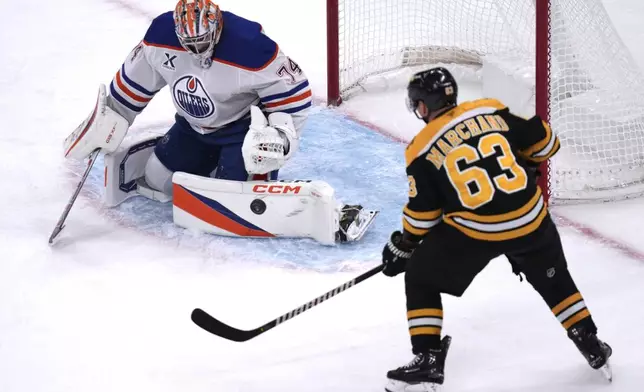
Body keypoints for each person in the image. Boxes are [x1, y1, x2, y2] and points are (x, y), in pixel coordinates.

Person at [61, 0, 377, 244]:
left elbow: (292, 92)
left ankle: (314, 206)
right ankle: (213, 168)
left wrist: (280, 134)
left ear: (216, 27)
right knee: (157, 180)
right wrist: (108, 122)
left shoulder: (251, 47)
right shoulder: (159, 38)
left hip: (241, 131)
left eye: (202, 40)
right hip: (191, 127)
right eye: (189, 42)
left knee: (233, 199)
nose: (196, 49)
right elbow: (130, 89)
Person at [380, 67, 612, 391]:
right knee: (554, 278)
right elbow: (547, 142)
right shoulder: (489, 108)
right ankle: (590, 340)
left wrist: (402, 247)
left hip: (478, 232)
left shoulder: (419, 148)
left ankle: (428, 359)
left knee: (420, 275)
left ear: (423, 105)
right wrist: (528, 165)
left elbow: (424, 216)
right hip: (531, 219)